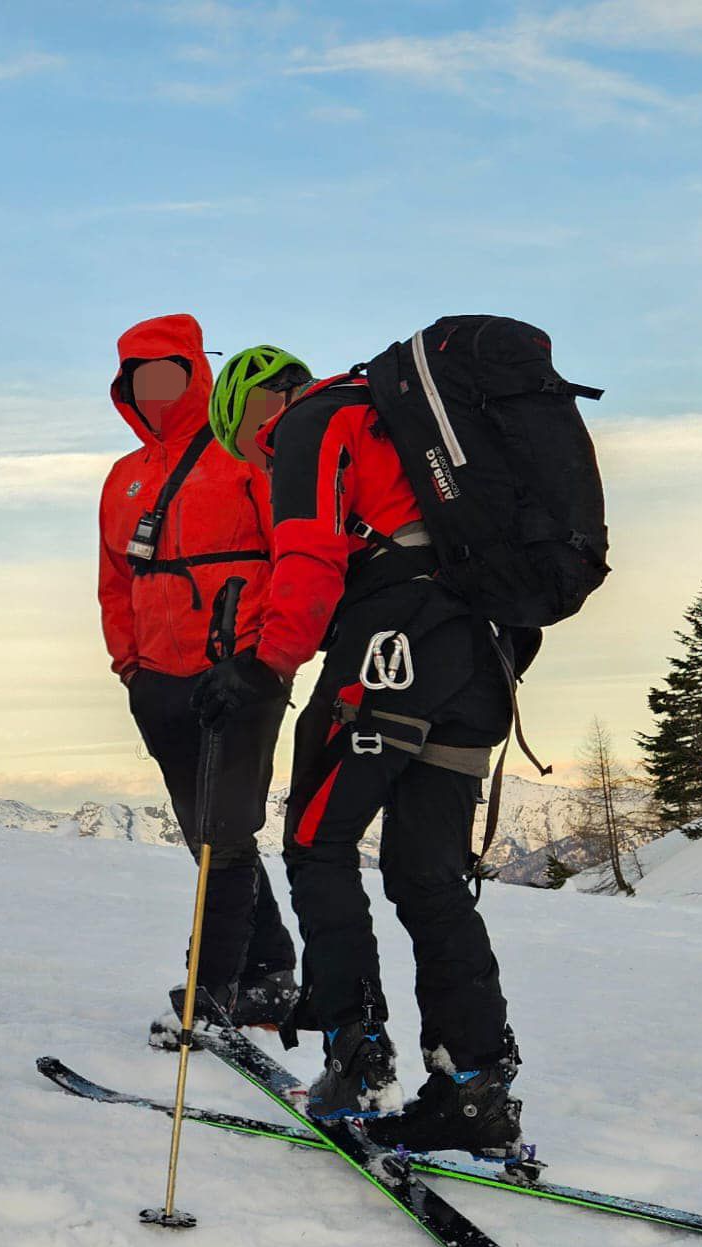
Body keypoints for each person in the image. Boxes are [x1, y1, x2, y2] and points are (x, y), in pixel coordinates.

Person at [192, 359, 533, 1155]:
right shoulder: (397, 428)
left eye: (241, 443)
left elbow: (309, 559)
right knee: (427, 876)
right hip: (481, 655)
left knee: (317, 841)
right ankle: (474, 1087)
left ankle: (357, 1056)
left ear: (252, 410)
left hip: (393, 643)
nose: (254, 463)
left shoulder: (307, 426)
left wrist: (263, 665)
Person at [96, 318, 299, 1030]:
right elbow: (115, 581)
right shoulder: (123, 477)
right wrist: (129, 665)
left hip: (240, 673)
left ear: (196, 374)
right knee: (201, 832)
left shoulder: (248, 454)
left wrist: (262, 656)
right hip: (158, 682)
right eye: (138, 377)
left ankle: (209, 993)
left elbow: (290, 556)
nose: (153, 390)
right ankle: (269, 970)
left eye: (168, 373)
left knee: (225, 831)